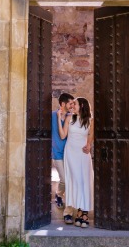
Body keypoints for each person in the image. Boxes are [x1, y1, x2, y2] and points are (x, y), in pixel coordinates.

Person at [57, 97, 94, 228]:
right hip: (71, 153)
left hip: (83, 154)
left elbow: (90, 135)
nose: (73, 106)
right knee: (75, 181)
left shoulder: (90, 120)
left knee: (84, 181)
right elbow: (62, 136)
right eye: (72, 104)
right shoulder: (70, 118)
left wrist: (89, 145)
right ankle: (79, 210)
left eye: (75, 104)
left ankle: (83, 212)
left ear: (82, 106)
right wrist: (58, 118)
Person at [51, 93, 76, 224]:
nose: (72, 105)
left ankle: (67, 210)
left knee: (69, 181)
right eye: (70, 103)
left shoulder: (70, 117)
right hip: (57, 153)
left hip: (69, 153)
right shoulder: (52, 116)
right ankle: (59, 194)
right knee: (65, 180)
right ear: (62, 104)